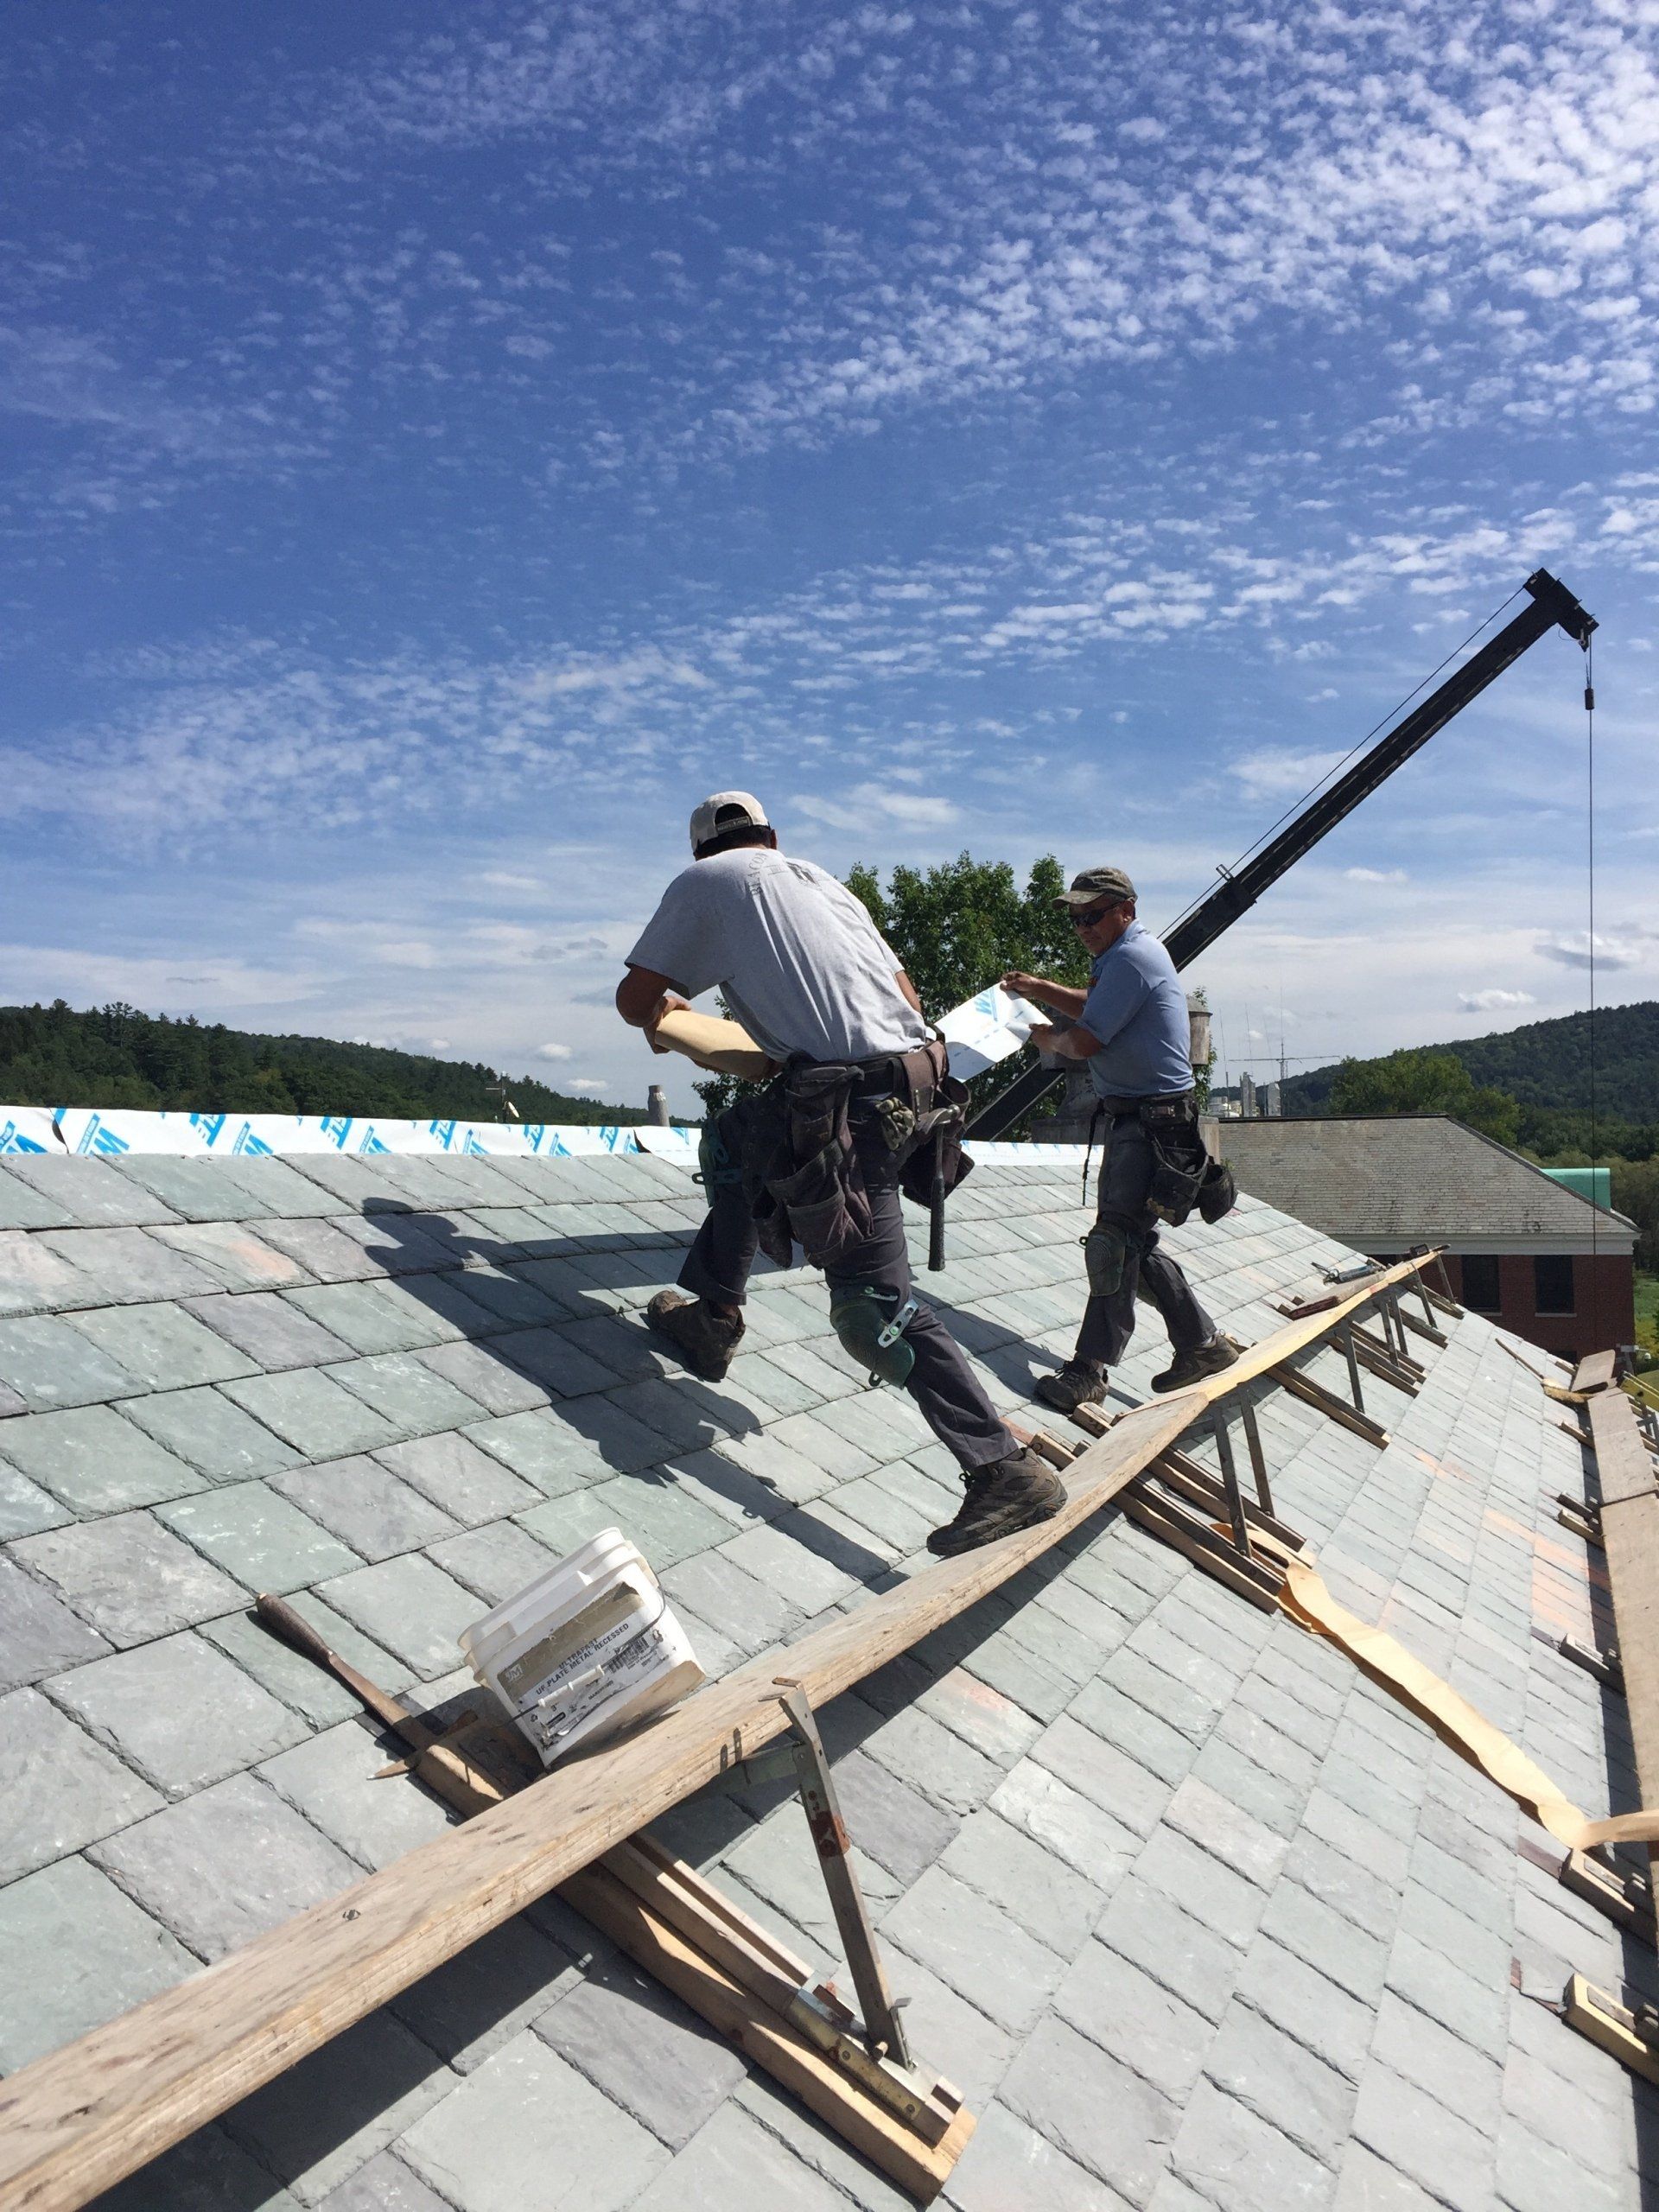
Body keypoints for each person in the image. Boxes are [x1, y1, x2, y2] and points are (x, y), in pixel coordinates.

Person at [615, 790, 1065, 1558]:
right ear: (773, 837)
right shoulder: (822, 881)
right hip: (914, 1086)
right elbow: (908, 1000)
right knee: (733, 1143)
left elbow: (634, 999)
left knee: (872, 1314)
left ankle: (1003, 1468)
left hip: (851, 1109)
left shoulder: (706, 884)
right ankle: (713, 1317)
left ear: (700, 854)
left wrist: (673, 1018)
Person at [1003, 864, 1241, 1411]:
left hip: (1151, 1125)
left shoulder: (1132, 957)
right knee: (1132, 1242)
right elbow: (1095, 1009)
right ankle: (1201, 1345)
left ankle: (1090, 1370)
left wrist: (1037, 1034)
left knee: (1114, 1242)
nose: (1082, 926)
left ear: (1125, 911)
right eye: (1076, 918)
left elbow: (1084, 1042)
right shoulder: (1122, 957)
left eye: (1092, 915)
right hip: (1148, 1121)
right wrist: (1038, 989)